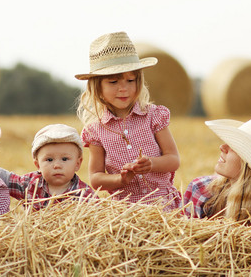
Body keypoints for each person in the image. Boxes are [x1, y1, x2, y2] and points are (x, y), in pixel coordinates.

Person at [75, 31, 181, 211]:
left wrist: (151, 164)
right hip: (125, 211)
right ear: (98, 88)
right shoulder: (95, 130)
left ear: (139, 82)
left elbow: (173, 159)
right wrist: (120, 179)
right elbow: (96, 177)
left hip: (164, 204)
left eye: (130, 80)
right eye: (113, 82)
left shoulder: (154, 115)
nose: (123, 88)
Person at [0, 124, 95, 211]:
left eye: (65, 159)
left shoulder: (85, 195)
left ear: (77, 163)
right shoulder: (30, 184)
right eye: (49, 160)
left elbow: (100, 219)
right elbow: (6, 179)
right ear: (38, 165)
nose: (57, 165)